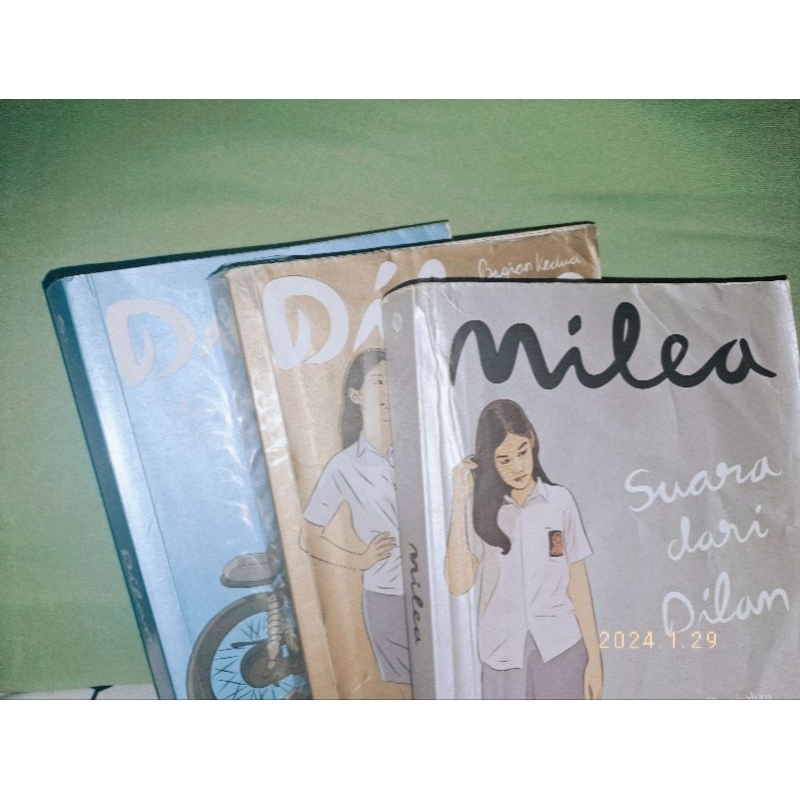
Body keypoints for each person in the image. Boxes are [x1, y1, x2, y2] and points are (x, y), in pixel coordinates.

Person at [445, 398, 603, 699]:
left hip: (562, 648)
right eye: (504, 460)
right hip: (502, 655)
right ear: (490, 461)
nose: (518, 467)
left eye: (521, 452)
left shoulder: (560, 502)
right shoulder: (482, 511)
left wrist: (594, 661)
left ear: (532, 440)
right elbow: (458, 583)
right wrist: (460, 498)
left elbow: (578, 584)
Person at [300, 348, 411, 697]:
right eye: (378, 382)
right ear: (355, 395)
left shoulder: (423, 452)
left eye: (393, 381)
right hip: (387, 595)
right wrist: (359, 560)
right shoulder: (344, 465)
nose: (388, 391)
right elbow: (309, 535)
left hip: (439, 591)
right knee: (411, 691)